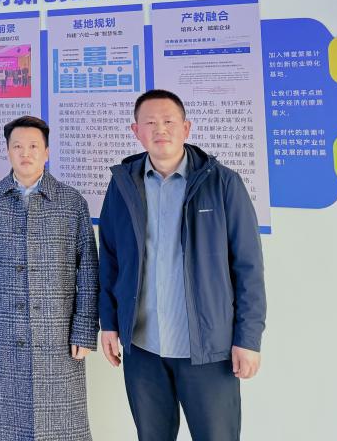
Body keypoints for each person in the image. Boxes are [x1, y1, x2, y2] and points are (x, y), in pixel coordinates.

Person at [98, 89, 267, 441]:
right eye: (150, 123)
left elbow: (248, 267)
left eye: (169, 121)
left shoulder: (223, 183)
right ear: (136, 131)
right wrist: (109, 324)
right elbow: (110, 258)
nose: (160, 129)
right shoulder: (123, 185)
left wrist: (248, 339)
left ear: (186, 128)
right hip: (144, 348)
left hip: (207, 349)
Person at [0, 115, 99, 441]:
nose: (26, 153)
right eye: (18, 146)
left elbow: (88, 271)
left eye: (34, 146)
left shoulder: (71, 202)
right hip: (3, 332)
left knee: (60, 427)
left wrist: (84, 329)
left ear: (47, 151)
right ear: (8, 151)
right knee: (3, 426)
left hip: (58, 335)